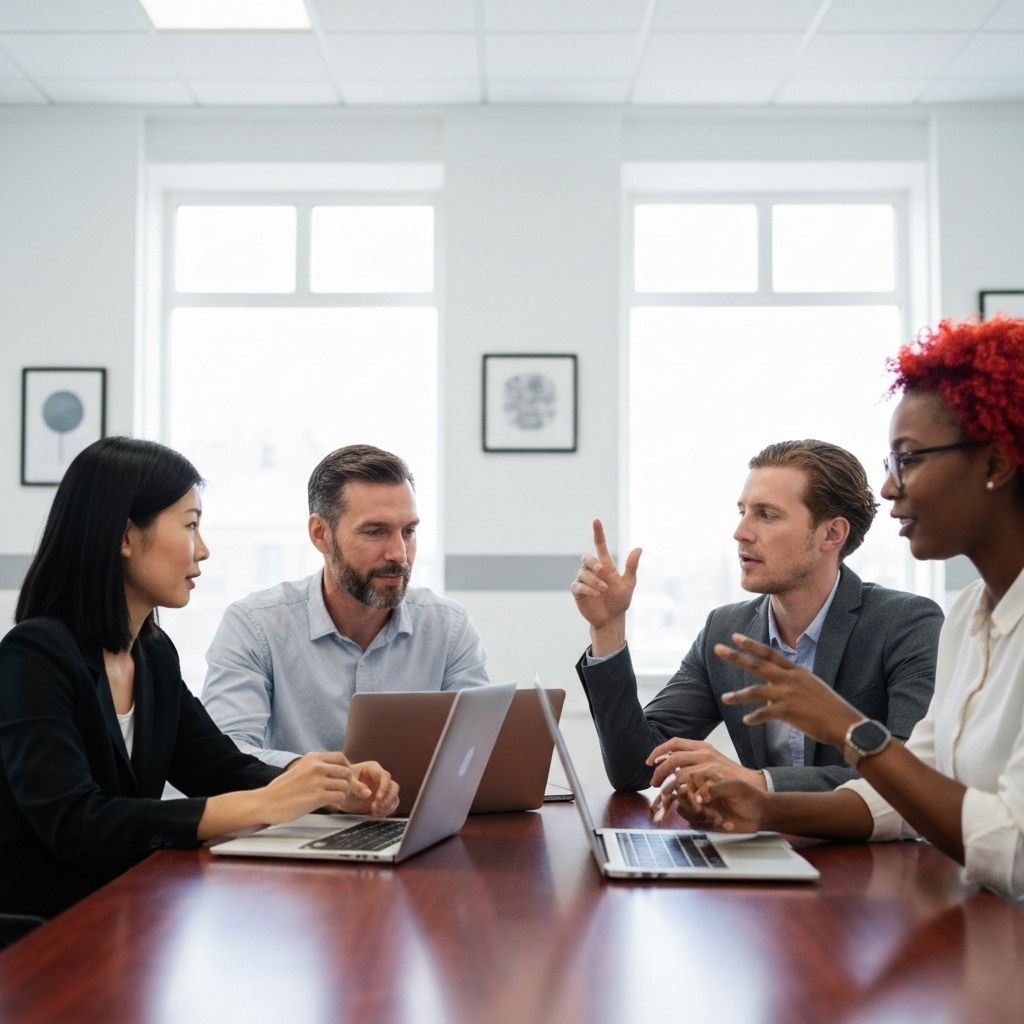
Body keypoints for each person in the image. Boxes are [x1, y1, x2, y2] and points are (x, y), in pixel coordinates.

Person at [658, 318, 1024, 901]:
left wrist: (845, 728)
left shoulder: (913, 621)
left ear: (997, 464)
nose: (887, 487)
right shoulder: (966, 619)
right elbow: (909, 798)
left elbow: (1014, 849)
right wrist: (765, 808)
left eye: (909, 459)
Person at [0, 437, 398, 920]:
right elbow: (78, 823)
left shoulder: (152, 654)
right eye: (190, 525)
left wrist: (330, 790)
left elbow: (220, 767)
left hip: (125, 915)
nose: (204, 550)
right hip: (45, 937)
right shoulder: (34, 655)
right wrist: (265, 805)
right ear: (125, 537)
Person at [571, 440, 943, 794]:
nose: (740, 533)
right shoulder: (725, 630)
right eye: (742, 511)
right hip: (762, 847)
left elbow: (911, 778)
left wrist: (759, 782)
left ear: (832, 533)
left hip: (867, 853)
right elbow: (636, 766)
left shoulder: (906, 624)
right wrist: (607, 628)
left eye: (766, 515)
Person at [203, 444, 489, 767]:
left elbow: (478, 752)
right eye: (375, 531)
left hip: (417, 818)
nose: (399, 553)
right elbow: (225, 756)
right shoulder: (255, 626)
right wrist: (331, 783)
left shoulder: (448, 628)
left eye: (408, 531)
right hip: (302, 816)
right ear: (320, 534)